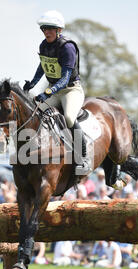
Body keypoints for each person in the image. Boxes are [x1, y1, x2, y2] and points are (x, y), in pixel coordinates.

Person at [24, 10, 90, 175]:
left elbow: (65, 78)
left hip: (70, 90)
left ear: (59, 30)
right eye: (44, 29)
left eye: (50, 29)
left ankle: (84, 158)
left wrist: (47, 92)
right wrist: (32, 83)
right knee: (35, 113)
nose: (47, 32)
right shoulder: (43, 45)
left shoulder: (67, 48)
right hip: (54, 90)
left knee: (68, 117)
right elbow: (43, 67)